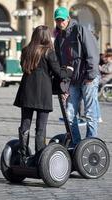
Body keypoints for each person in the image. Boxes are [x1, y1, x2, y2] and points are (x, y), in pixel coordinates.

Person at [13, 25, 73, 164]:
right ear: (47, 37)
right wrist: (69, 70)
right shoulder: (49, 52)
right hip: (42, 94)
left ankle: (22, 157)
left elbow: (24, 67)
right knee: (41, 127)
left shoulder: (26, 50)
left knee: (25, 125)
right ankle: (39, 157)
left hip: (26, 92)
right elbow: (59, 73)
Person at [54, 7, 100, 147]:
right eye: (57, 20)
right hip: (73, 81)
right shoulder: (58, 39)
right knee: (69, 115)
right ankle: (77, 145)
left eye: (62, 19)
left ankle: (90, 144)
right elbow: (61, 63)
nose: (60, 22)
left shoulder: (80, 30)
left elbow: (92, 52)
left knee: (90, 114)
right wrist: (65, 85)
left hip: (87, 79)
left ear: (68, 18)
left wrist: (91, 76)